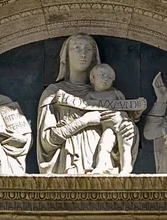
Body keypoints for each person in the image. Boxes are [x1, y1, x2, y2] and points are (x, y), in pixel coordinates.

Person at [37, 33, 138, 174]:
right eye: (77, 48)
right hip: (67, 168)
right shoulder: (53, 93)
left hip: (104, 168)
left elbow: (120, 125)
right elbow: (47, 141)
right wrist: (84, 121)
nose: (83, 53)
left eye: (88, 49)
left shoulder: (111, 94)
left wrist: (128, 127)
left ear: (94, 57)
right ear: (66, 56)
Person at [86, 63, 145, 175]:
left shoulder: (116, 93)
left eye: (109, 78)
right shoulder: (89, 96)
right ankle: (100, 167)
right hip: (108, 127)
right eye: (102, 75)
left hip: (124, 124)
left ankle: (126, 169)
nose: (106, 79)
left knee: (125, 147)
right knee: (104, 145)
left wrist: (139, 109)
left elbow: (130, 112)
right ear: (92, 78)